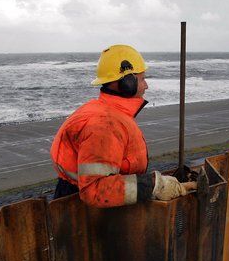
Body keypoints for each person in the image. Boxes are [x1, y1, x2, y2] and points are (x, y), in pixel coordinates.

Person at [50, 44, 196, 207]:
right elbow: (96, 189)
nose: (146, 85)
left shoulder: (108, 111)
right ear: (128, 83)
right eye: (142, 79)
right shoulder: (105, 124)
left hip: (86, 199)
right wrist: (154, 185)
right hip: (85, 210)